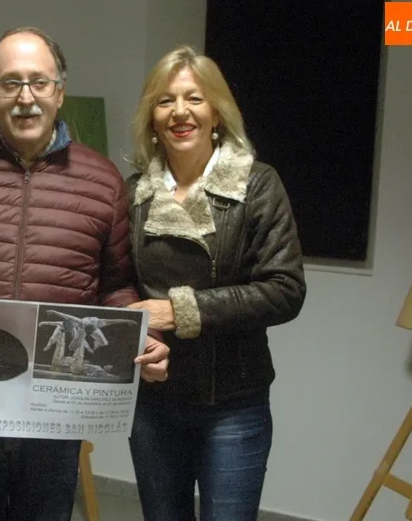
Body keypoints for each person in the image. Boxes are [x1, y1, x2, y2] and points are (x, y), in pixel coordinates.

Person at [0, 26, 170, 521]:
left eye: (39, 83)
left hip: (55, 400)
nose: (26, 98)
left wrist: (135, 332)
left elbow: (114, 285)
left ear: (59, 92)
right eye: (11, 83)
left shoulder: (103, 180)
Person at [124, 45, 306, 520]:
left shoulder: (258, 185)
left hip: (233, 403)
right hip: (153, 401)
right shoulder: (133, 193)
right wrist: (145, 334)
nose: (180, 112)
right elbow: (120, 287)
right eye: (165, 101)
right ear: (152, 118)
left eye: (194, 98)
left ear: (217, 114)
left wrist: (177, 312)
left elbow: (284, 289)